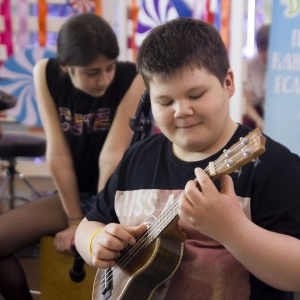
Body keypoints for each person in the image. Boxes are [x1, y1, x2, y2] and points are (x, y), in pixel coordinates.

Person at [75, 18, 300, 299]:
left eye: (196, 94)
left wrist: (234, 231)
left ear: (228, 83)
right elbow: (88, 225)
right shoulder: (137, 158)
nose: (181, 110)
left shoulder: (275, 168)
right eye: (165, 102)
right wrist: (97, 241)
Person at [0, 12, 145, 300]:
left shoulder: (133, 77)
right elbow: (58, 151)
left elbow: (112, 155)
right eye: (92, 72)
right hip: (72, 193)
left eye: (109, 67)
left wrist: (92, 222)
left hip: (115, 195)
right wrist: (74, 219)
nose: (104, 78)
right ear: (66, 67)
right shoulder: (46, 73)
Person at [243, 24, 270, 130]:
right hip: (260, 110)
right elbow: (247, 104)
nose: (265, 55)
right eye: (261, 50)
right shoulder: (252, 66)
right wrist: (258, 120)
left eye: (267, 50)